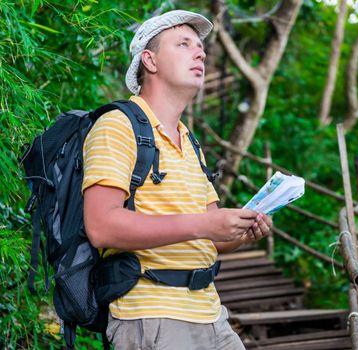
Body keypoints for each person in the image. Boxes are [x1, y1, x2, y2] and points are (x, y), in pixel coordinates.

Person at [82, 9, 272, 350]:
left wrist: (242, 230)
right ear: (150, 61)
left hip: (212, 314)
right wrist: (203, 224)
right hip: (153, 317)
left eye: (200, 46)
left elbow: (210, 238)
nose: (200, 52)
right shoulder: (118, 125)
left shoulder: (189, 140)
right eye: (183, 44)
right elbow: (102, 227)